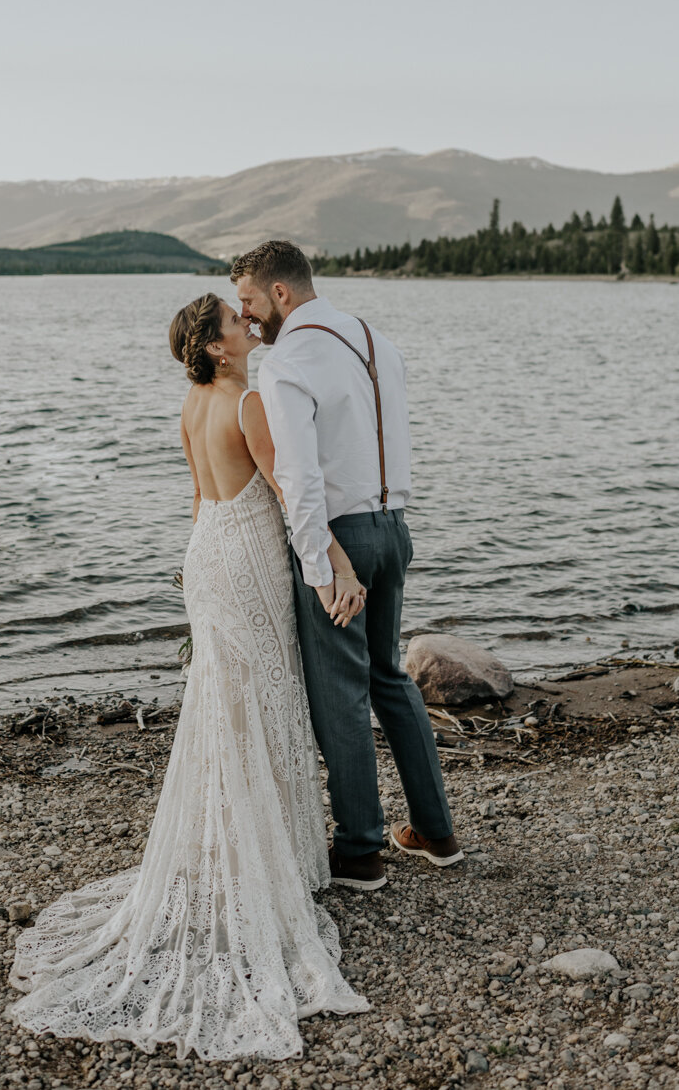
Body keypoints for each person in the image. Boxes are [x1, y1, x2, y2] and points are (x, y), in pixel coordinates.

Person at [7, 293, 368, 1062]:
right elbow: (283, 490)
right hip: (245, 561)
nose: (250, 329)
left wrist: (190, 567)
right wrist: (335, 561)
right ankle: (259, 866)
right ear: (214, 348)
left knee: (223, 707)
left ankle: (235, 853)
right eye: (237, 326)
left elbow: (198, 496)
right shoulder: (246, 404)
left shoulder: (188, 405)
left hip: (205, 553)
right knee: (258, 703)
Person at [232, 240, 463, 891]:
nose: (246, 318)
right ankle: (435, 833)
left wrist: (318, 565)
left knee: (340, 694)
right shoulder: (374, 341)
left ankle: (360, 851)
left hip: (343, 539)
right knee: (388, 676)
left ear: (279, 293)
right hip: (394, 529)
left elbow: (298, 478)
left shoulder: (289, 361)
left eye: (248, 302)